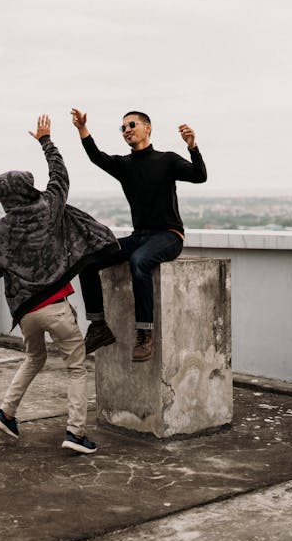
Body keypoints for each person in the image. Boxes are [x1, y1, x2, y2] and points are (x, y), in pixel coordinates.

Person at [0, 114, 119, 455]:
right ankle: (75, 432)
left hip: (25, 312)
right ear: (27, 187)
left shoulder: (0, 228)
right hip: (55, 306)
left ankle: (6, 412)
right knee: (75, 366)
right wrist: (46, 140)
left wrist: (12, 267)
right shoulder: (48, 207)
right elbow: (60, 175)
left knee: (33, 358)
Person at [69, 108, 207, 362]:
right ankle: (98, 326)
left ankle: (145, 333)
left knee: (139, 262)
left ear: (147, 127)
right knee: (88, 259)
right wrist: (82, 130)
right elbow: (97, 157)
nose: (127, 130)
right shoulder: (124, 165)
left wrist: (192, 147)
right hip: (139, 236)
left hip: (169, 235)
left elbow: (200, 176)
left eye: (131, 124)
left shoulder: (167, 160)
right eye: (122, 128)